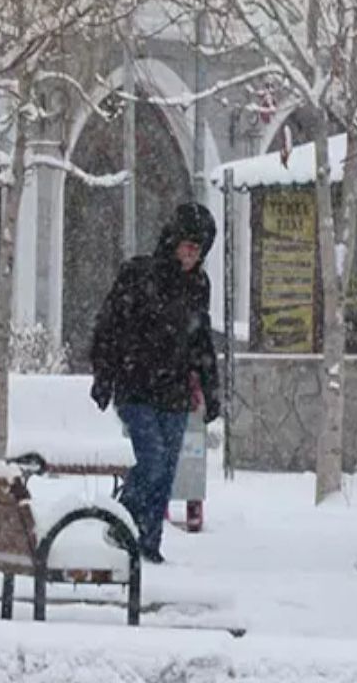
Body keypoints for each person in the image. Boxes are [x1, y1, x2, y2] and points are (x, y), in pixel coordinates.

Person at [89, 202, 221, 564]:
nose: (191, 255)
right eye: (187, 246)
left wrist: (210, 389)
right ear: (173, 241)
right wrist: (104, 376)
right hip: (135, 387)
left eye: (199, 249)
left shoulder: (198, 286)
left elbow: (201, 340)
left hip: (174, 393)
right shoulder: (138, 274)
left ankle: (148, 545)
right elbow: (109, 326)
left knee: (166, 475)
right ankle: (121, 525)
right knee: (152, 462)